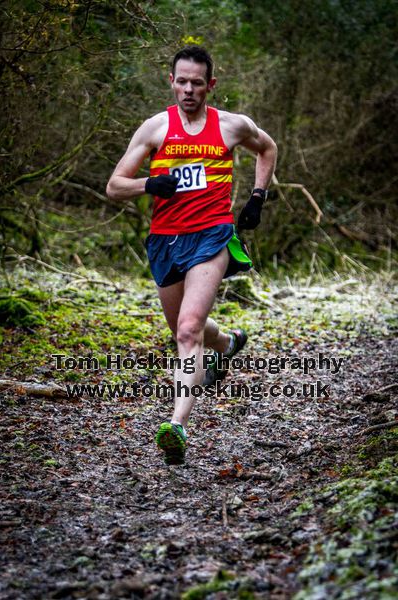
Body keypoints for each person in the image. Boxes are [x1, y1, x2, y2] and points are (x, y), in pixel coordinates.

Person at [106, 45, 277, 465]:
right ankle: (229, 342)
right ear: (171, 82)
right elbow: (114, 186)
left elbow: (267, 148)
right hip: (165, 240)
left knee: (187, 331)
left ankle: (177, 426)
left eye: (196, 83)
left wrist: (257, 197)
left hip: (212, 236)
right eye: (181, 81)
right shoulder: (155, 128)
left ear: (210, 85)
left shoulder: (232, 126)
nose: (188, 89)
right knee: (190, 332)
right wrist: (150, 184)